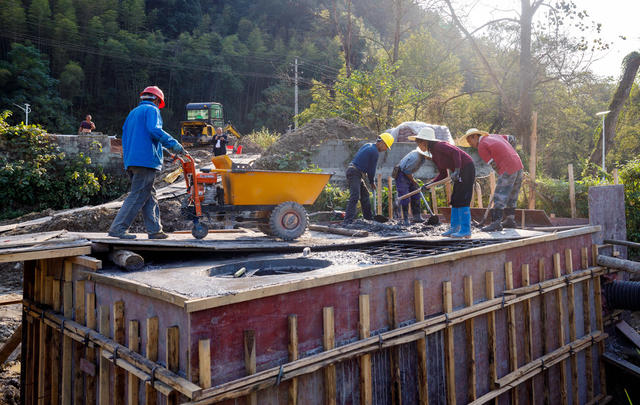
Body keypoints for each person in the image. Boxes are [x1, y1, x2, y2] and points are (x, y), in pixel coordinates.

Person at [108, 86, 186, 239]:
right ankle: (118, 229)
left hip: (132, 160)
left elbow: (139, 137)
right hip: (145, 161)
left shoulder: (133, 113)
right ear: (157, 100)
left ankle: (155, 230)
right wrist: (173, 143)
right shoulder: (152, 110)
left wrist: (164, 150)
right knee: (138, 195)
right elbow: (154, 130)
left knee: (149, 194)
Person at [458, 128, 523, 231]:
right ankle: (510, 220)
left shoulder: (481, 147)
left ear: (475, 136)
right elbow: (512, 139)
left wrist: (502, 173)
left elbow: (494, 165)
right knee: (512, 194)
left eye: (470, 141)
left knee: (500, 195)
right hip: (519, 165)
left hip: (508, 166)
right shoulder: (494, 136)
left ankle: (496, 222)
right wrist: (511, 153)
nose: (470, 144)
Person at [419, 127, 475, 238]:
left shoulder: (439, 146)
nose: (418, 146)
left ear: (425, 142)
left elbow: (455, 152)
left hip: (467, 168)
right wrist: (429, 185)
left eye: (419, 143)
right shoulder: (434, 156)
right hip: (458, 171)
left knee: (463, 199)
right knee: (455, 200)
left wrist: (457, 170)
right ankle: (454, 228)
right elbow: (443, 174)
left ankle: (466, 230)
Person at [343, 133, 394, 224]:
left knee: (365, 195)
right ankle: (347, 221)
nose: (385, 149)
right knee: (355, 196)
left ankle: (369, 219)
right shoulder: (374, 152)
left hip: (354, 172)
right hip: (355, 172)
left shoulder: (368, 145)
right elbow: (371, 169)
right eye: (386, 146)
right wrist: (372, 182)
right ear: (382, 142)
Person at [395, 128, 433, 225]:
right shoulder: (416, 157)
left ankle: (417, 216)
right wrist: (413, 180)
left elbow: (410, 171)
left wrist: (413, 181)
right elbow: (406, 171)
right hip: (401, 174)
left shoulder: (422, 158)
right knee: (405, 196)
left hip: (407, 173)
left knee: (416, 193)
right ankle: (405, 218)